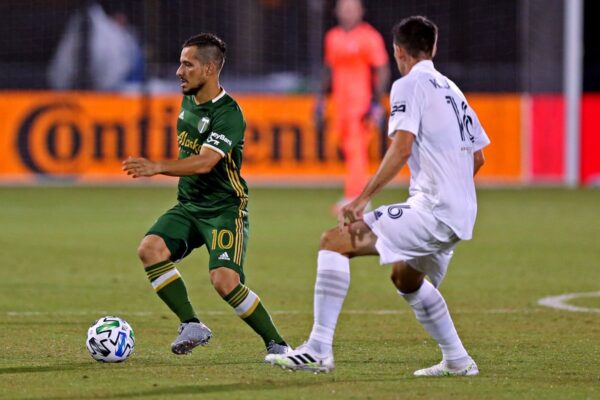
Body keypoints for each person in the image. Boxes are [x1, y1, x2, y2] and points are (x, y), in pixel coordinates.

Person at [267, 16, 490, 376]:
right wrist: (452, 191)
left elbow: (401, 148)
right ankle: (458, 361)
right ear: (433, 47)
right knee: (405, 277)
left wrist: (360, 198)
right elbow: (478, 157)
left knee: (334, 241)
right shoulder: (453, 90)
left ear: (398, 51)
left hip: (433, 210)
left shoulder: (408, 84)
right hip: (460, 212)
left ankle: (319, 349)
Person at [122, 33, 289, 359]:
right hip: (189, 206)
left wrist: (157, 166)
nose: (178, 71)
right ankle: (191, 325)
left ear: (210, 69)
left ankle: (278, 344)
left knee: (224, 281)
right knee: (150, 249)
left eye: (188, 64)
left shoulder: (228, 114)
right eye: (180, 63)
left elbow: (206, 161)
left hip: (224, 209)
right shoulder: (188, 98)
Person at [317, 0, 390, 213]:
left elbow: (382, 70)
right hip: (340, 104)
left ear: (361, 11)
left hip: (362, 104)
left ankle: (356, 197)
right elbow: (328, 70)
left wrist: (376, 103)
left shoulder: (370, 37)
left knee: (357, 151)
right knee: (349, 151)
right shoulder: (333, 37)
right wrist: (320, 101)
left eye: (352, 9)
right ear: (337, 11)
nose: (348, 13)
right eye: (345, 8)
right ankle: (357, 196)